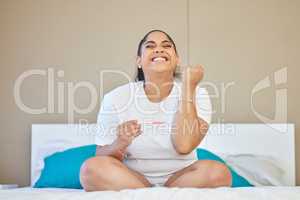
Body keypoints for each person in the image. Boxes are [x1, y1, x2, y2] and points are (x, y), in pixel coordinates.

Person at [79, 30, 232, 191]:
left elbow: (184, 146)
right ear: (139, 61)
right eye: (150, 46)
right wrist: (120, 142)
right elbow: (101, 155)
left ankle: (150, 193)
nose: (159, 49)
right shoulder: (116, 97)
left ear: (176, 59)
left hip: (183, 177)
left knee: (219, 173)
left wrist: (188, 87)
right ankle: (153, 193)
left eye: (166, 46)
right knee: (90, 169)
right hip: (131, 176)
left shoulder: (197, 93)